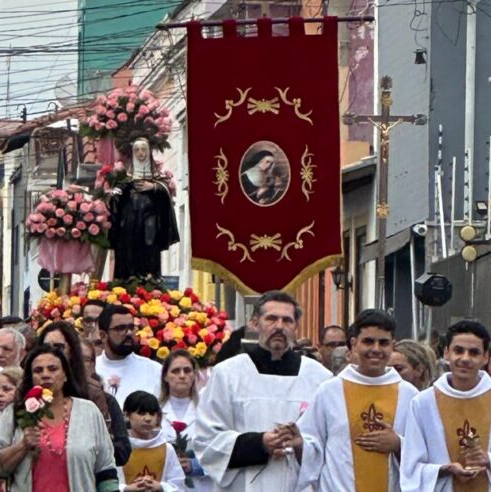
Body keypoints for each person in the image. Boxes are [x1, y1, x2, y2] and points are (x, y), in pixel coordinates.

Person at [193, 291, 332, 491]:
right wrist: (259, 444)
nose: (279, 327)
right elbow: (207, 438)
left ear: (296, 327)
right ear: (255, 323)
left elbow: (329, 445)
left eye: (287, 320)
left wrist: (301, 446)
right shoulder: (228, 374)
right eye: (271, 319)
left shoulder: (319, 378)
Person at [400, 321, 491, 491]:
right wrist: (446, 469)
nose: (465, 358)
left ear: (485, 357)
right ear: (447, 353)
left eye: (474, 352)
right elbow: (411, 467)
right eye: (458, 350)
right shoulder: (423, 403)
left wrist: (489, 460)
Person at [295, 309, 419, 491]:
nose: (376, 349)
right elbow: (312, 444)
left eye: (383, 343)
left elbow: (425, 453)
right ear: (354, 344)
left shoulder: (409, 395)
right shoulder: (330, 391)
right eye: (368, 341)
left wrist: (399, 444)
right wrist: (298, 442)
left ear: (392, 345)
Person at [0, 345, 119, 491]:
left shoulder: (88, 411)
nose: (45, 374)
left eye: (52, 369)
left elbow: (106, 469)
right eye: (38, 370)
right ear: (30, 378)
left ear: (65, 375)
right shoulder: (14, 413)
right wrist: (22, 446)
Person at [109, 137, 180, 280]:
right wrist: (114, 195)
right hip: (130, 219)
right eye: (137, 150)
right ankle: (130, 277)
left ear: (149, 152)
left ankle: (150, 277)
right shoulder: (126, 177)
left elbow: (165, 193)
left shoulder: (157, 177)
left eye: (143, 150)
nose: (140, 153)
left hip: (150, 217)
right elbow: (116, 196)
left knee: (150, 244)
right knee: (130, 246)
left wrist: (153, 187)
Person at [160, 350, 211, 491]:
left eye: (187, 370)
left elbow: (219, 452)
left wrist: (193, 466)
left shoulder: (209, 411)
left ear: (195, 375)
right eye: (175, 371)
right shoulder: (154, 412)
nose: (182, 376)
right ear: (165, 376)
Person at [95, 305, 162, 407]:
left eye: (131, 327)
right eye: (120, 328)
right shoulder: (91, 368)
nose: (129, 333)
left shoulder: (154, 370)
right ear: (103, 335)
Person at [80, 339, 131, 468]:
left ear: (93, 365)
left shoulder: (107, 401)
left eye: (85, 359)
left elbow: (122, 452)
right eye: (74, 358)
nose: (78, 364)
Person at [121, 390, 185, 491]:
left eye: (152, 413)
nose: (148, 418)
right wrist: (126, 489)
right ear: (127, 415)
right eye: (141, 413)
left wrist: (160, 486)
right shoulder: (118, 448)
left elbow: (179, 484)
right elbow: (107, 483)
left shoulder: (166, 449)